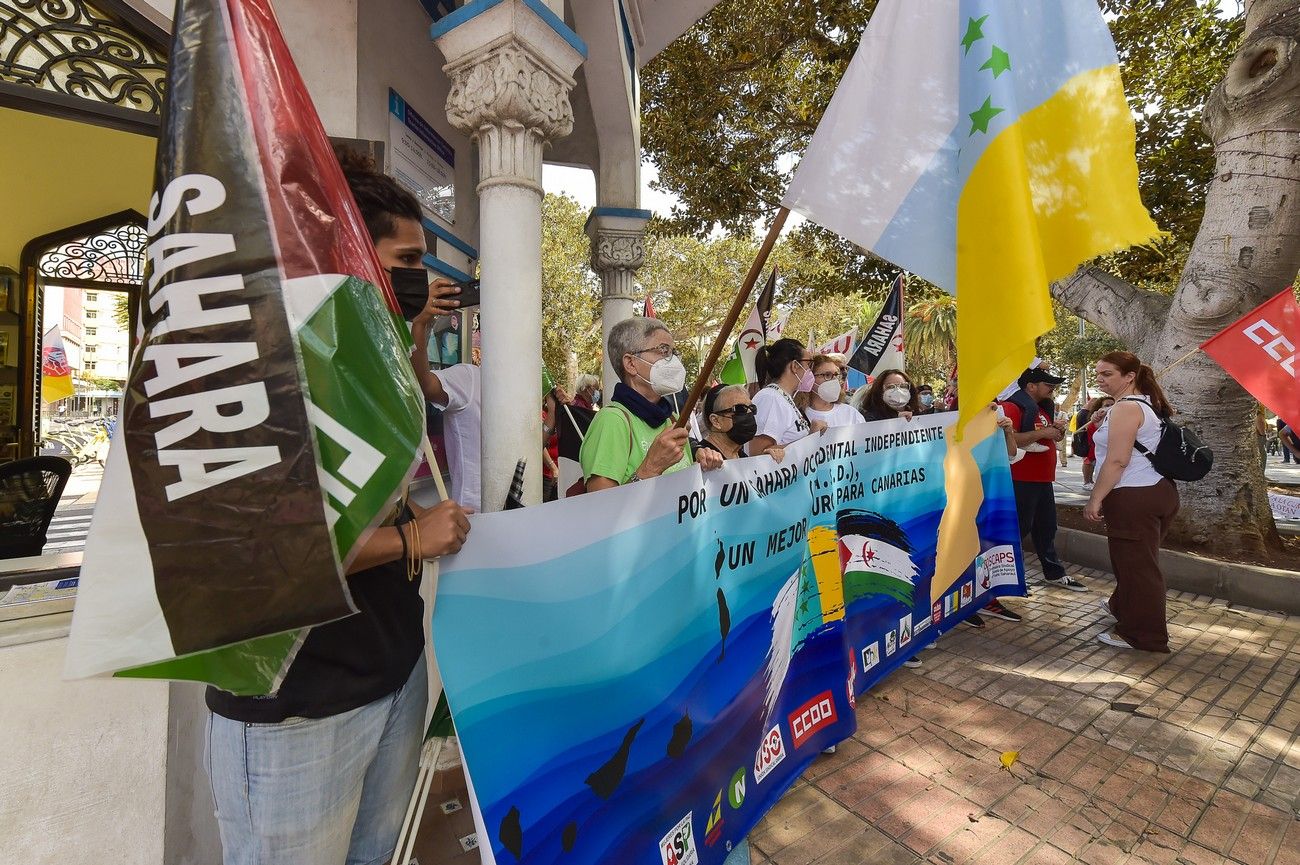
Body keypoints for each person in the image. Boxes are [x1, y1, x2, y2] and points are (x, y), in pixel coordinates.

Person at [204, 147, 474, 865]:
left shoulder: (364, 359)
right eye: (407, 258)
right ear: (347, 249)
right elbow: (272, 545)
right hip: (295, 700)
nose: (421, 277)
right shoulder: (256, 365)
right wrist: (413, 540)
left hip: (390, 671)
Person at [1085, 351, 1180, 653]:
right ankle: (1123, 609)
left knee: (1138, 568)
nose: (1100, 379)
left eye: (1107, 374)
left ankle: (1144, 636)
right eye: (1098, 373)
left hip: (1134, 495)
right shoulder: (1136, 405)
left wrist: (1095, 499)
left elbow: (1117, 460)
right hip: (1153, 491)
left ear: (1129, 377)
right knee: (1136, 564)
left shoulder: (1127, 408)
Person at [580, 317, 723, 490]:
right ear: (631, 363)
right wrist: (651, 467)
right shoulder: (612, 421)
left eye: (673, 353)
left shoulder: (672, 419)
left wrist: (702, 467)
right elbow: (600, 508)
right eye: (663, 350)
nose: (673, 361)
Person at [999, 367, 1087, 593]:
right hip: (1021, 479)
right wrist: (1043, 434)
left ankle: (1054, 573)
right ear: (1030, 386)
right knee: (1019, 529)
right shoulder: (1012, 407)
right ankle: (1009, 578)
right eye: (1048, 385)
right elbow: (1010, 441)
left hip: (1042, 480)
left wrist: (1057, 432)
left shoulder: (1040, 409)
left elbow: (1049, 436)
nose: (1052, 390)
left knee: (1046, 528)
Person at [748, 338, 825, 458]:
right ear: (795, 365)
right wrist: (812, 437)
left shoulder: (782, 398)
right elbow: (758, 454)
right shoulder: (770, 398)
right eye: (809, 364)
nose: (810, 370)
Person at [804, 355, 863, 429]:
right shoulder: (797, 414)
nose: (834, 379)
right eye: (827, 375)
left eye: (836, 375)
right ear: (809, 378)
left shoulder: (851, 414)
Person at [854, 368, 918, 421]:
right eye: (890, 387)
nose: (898, 390)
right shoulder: (869, 418)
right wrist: (895, 420)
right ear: (880, 392)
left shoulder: (917, 415)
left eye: (903, 386)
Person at [1081, 397, 1115, 488]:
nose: (1110, 407)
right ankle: (1087, 481)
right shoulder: (1095, 422)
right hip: (1094, 452)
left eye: (1112, 404)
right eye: (1107, 405)